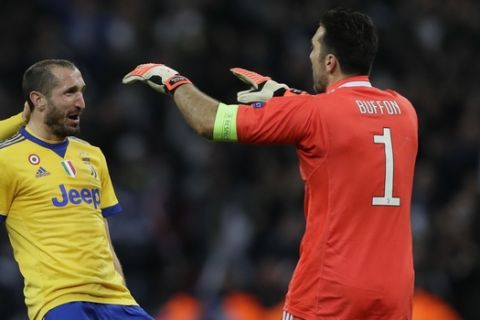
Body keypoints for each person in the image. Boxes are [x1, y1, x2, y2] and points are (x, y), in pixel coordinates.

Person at [123, 7, 418, 320]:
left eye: (315, 47)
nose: (310, 55)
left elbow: (211, 122)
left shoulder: (313, 113)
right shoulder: (404, 111)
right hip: (393, 294)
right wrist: (288, 95)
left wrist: (174, 81)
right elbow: (350, 119)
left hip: (329, 293)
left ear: (330, 62)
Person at [0, 59, 154, 320]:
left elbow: (103, 237)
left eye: (82, 91)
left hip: (117, 300)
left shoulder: (92, 155)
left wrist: (123, 292)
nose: (81, 102)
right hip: (60, 302)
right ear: (38, 100)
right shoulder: (7, 160)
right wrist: (20, 119)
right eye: (70, 92)